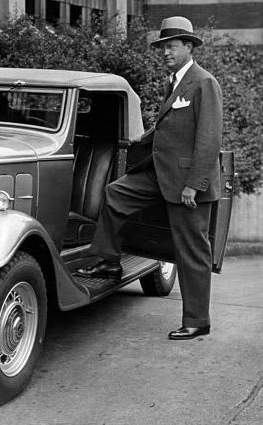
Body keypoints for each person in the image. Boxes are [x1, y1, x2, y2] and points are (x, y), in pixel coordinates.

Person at [75, 16, 223, 340]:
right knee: (114, 194)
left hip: (187, 184)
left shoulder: (203, 82)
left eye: (172, 46)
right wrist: (141, 140)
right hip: (159, 174)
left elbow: (209, 140)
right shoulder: (175, 82)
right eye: (163, 47)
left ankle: (198, 321)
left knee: (192, 252)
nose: (166, 52)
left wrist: (193, 185)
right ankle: (109, 262)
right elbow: (170, 128)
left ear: (188, 47)